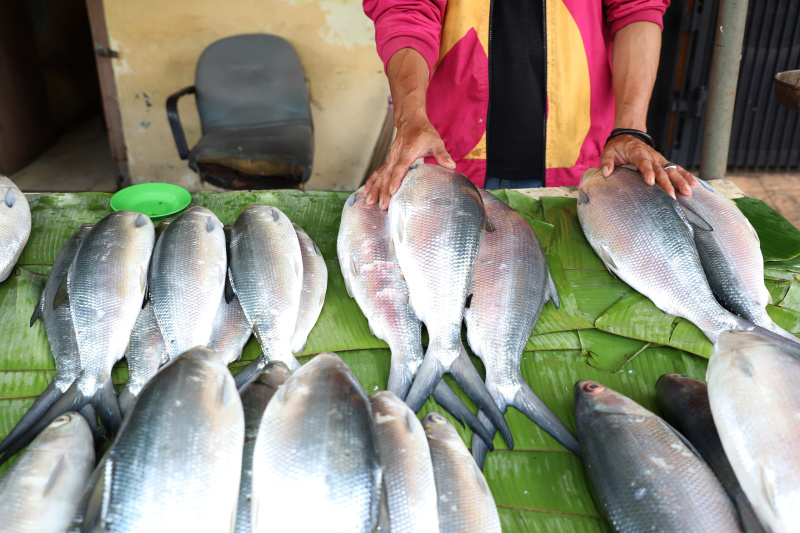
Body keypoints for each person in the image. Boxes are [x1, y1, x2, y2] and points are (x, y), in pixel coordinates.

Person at [362, 0, 697, 209]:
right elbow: (406, 10)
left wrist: (630, 128)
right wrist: (411, 117)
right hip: (448, 156)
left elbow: (636, 8)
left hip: (584, 160)